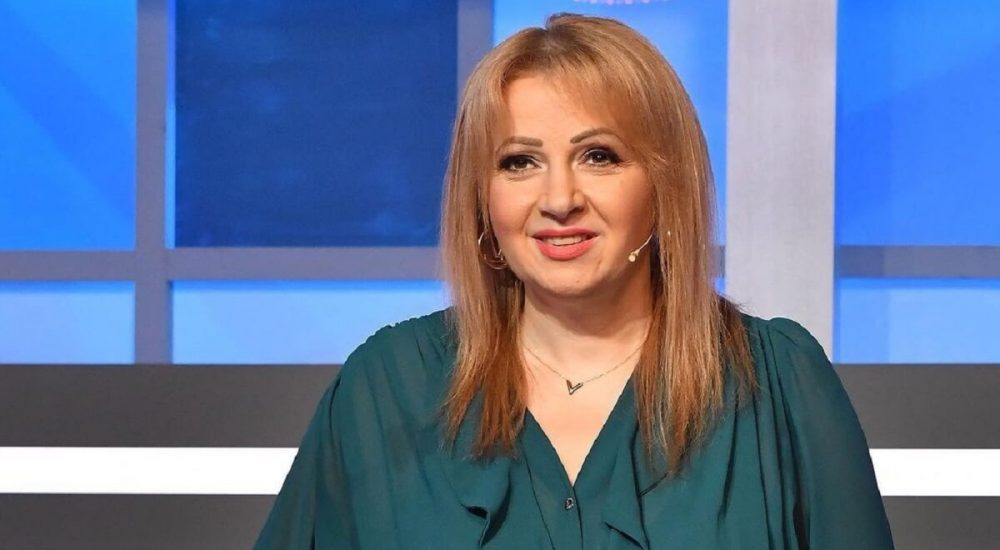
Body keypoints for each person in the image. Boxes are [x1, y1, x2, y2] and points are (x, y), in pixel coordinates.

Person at [253, 13, 894, 549]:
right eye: (519, 162)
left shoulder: (778, 384)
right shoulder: (385, 387)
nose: (559, 199)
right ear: (482, 197)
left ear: (663, 184)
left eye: (599, 156)